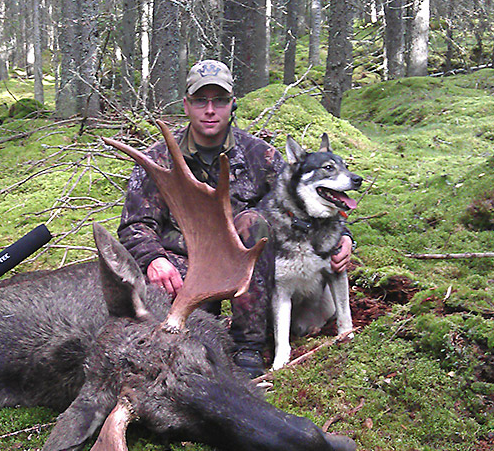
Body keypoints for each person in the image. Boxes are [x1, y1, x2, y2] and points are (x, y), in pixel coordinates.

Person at [117, 60, 353, 377]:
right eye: (201, 100)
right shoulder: (159, 159)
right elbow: (135, 225)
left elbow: (306, 199)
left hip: (245, 271)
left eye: (220, 100)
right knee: (174, 337)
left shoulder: (261, 155)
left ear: (232, 104)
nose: (210, 110)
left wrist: (345, 237)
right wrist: (154, 259)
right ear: (187, 105)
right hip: (185, 267)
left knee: (257, 222)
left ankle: (249, 347)